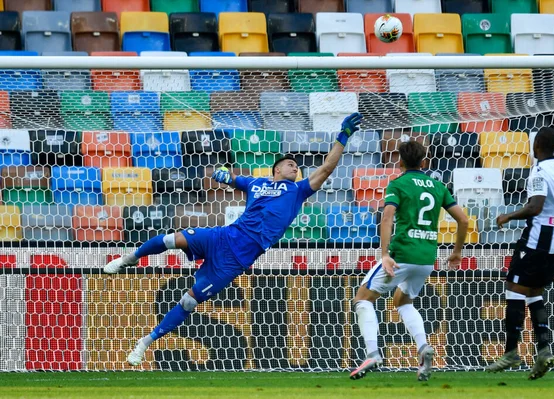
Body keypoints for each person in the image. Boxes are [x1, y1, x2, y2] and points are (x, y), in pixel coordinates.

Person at [103, 112, 364, 366]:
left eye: (296, 166)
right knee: (172, 238)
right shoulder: (255, 183)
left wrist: (343, 136)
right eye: (290, 163)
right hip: (223, 236)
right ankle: (128, 259)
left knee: (189, 301)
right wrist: (221, 174)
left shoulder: (298, 190)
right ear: (276, 169)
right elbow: (227, 176)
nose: (295, 166)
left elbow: (328, 167)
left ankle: (143, 344)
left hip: (235, 260)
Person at [349, 140, 469, 381]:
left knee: (362, 298)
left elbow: (387, 218)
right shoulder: (438, 185)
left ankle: (372, 353)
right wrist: (456, 251)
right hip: (426, 257)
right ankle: (424, 347)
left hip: (402, 254)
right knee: (403, 301)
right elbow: (464, 220)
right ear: (425, 161)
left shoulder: (398, 184)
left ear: (400, 161)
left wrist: (384, 254)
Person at [485, 127, 554, 380]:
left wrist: (508, 216)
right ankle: (543, 350)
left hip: (536, 241)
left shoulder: (539, 171)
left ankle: (511, 352)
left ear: (537, 145)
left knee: (513, 287)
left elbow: (535, 206)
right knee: (534, 293)